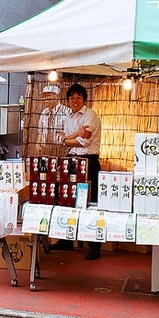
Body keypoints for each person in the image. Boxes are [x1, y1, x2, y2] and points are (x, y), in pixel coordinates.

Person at [61, 82, 102, 260]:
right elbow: (61, 140)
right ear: (68, 101)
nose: (75, 100)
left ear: (84, 99)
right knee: (69, 199)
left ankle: (94, 246)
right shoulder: (69, 117)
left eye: (78, 97)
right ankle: (67, 240)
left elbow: (84, 142)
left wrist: (68, 138)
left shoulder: (90, 115)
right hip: (72, 161)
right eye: (72, 98)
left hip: (89, 161)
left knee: (91, 202)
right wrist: (73, 136)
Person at [36, 85, 70, 155]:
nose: (46, 98)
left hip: (61, 149)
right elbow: (40, 131)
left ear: (57, 96)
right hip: (45, 148)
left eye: (49, 95)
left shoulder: (66, 111)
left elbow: (71, 131)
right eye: (44, 96)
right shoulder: (44, 112)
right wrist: (38, 144)